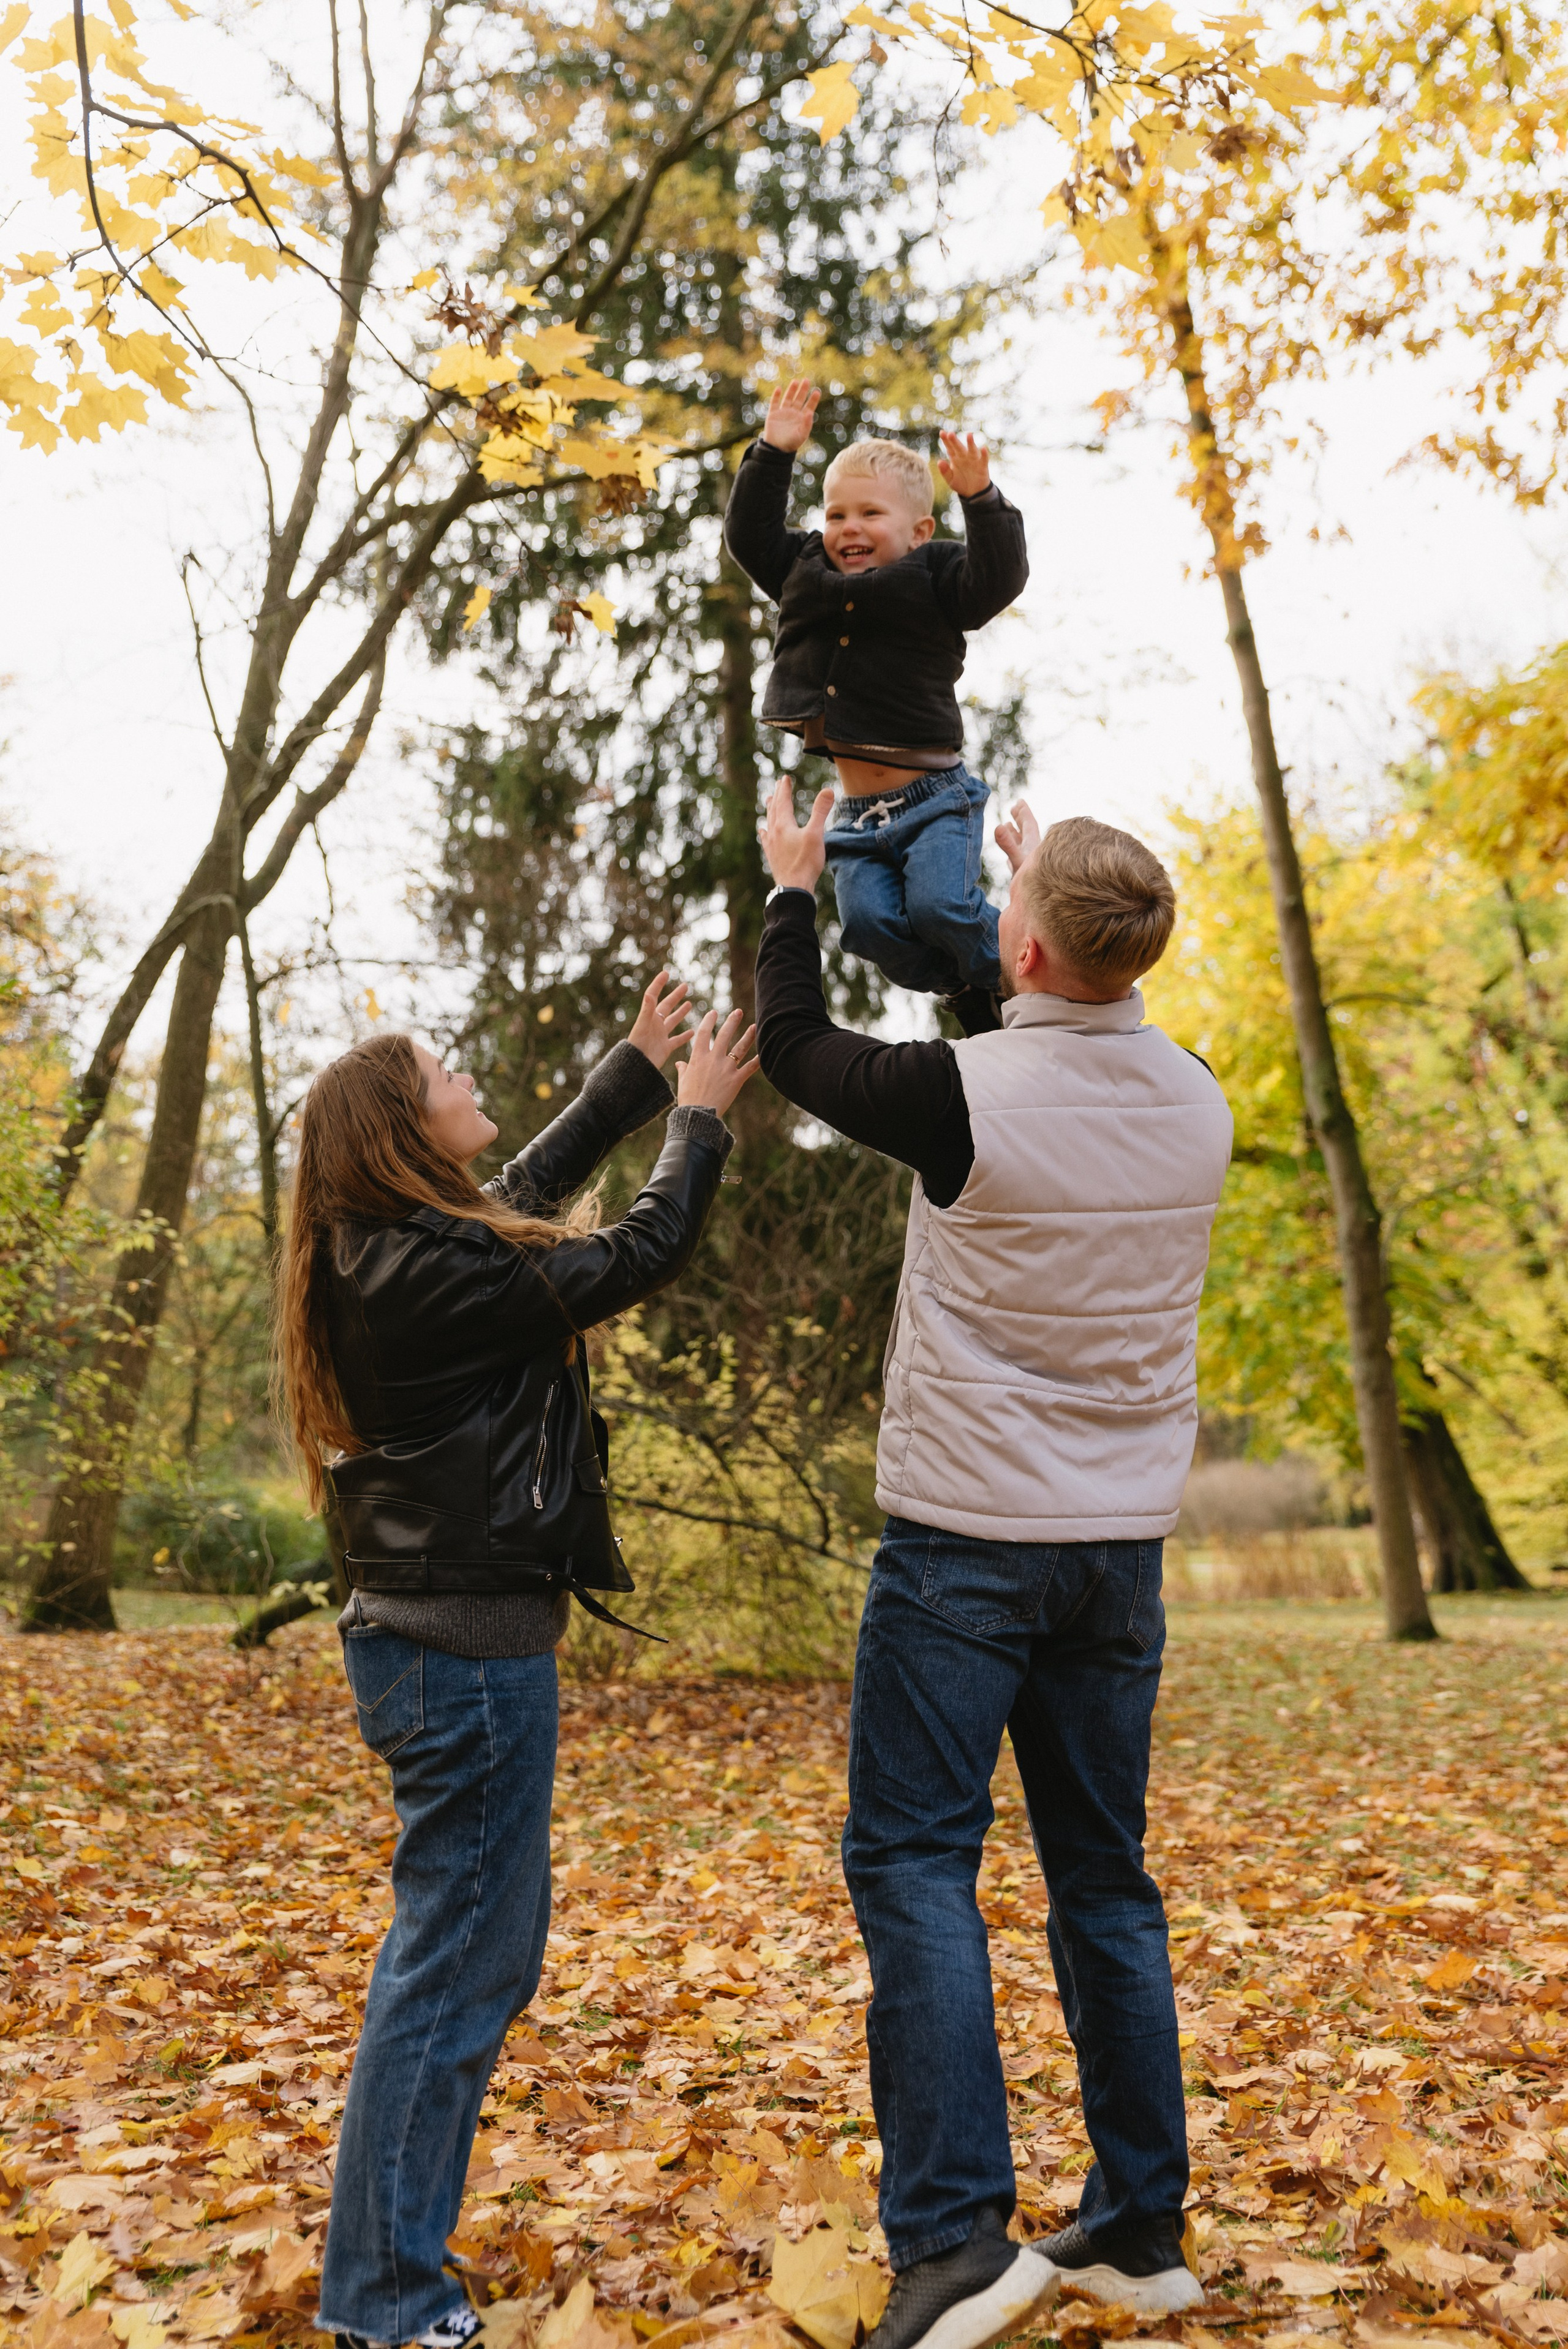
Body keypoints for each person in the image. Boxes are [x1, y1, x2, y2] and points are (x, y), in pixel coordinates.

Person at [755, 786, 1234, 2349]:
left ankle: (955, 2233)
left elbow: (795, 1043)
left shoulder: (959, 1095)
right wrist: (1040, 897)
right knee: (1102, 1876)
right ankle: (1141, 2220)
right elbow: (1046, 1037)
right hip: (1115, 1561)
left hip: (965, 1547)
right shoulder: (1195, 1099)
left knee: (911, 1863)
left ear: (1021, 939)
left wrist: (790, 886)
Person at [276, 976, 758, 2349]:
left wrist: (629, 1073)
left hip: (448, 1653)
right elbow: (624, 1255)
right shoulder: (421, 1272)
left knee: (460, 1964)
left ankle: (383, 2277)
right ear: (401, 1128)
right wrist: (699, 1119)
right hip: (462, 1665)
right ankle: (382, 2298)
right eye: (443, 1068)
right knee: (453, 1974)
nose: (465, 1074)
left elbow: (532, 1199)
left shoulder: (398, 1247)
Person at [723, 375, 1027, 997]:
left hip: (936, 798)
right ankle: (971, 993)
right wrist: (773, 453)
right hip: (858, 816)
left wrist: (982, 499)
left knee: (941, 909)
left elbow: (999, 578)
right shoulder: (803, 568)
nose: (847, 528)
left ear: (918, 530)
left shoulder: (936, 573)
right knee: (869, 928)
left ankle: (1020, 982)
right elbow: (748, 536)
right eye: (836, 514)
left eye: (869, 514)